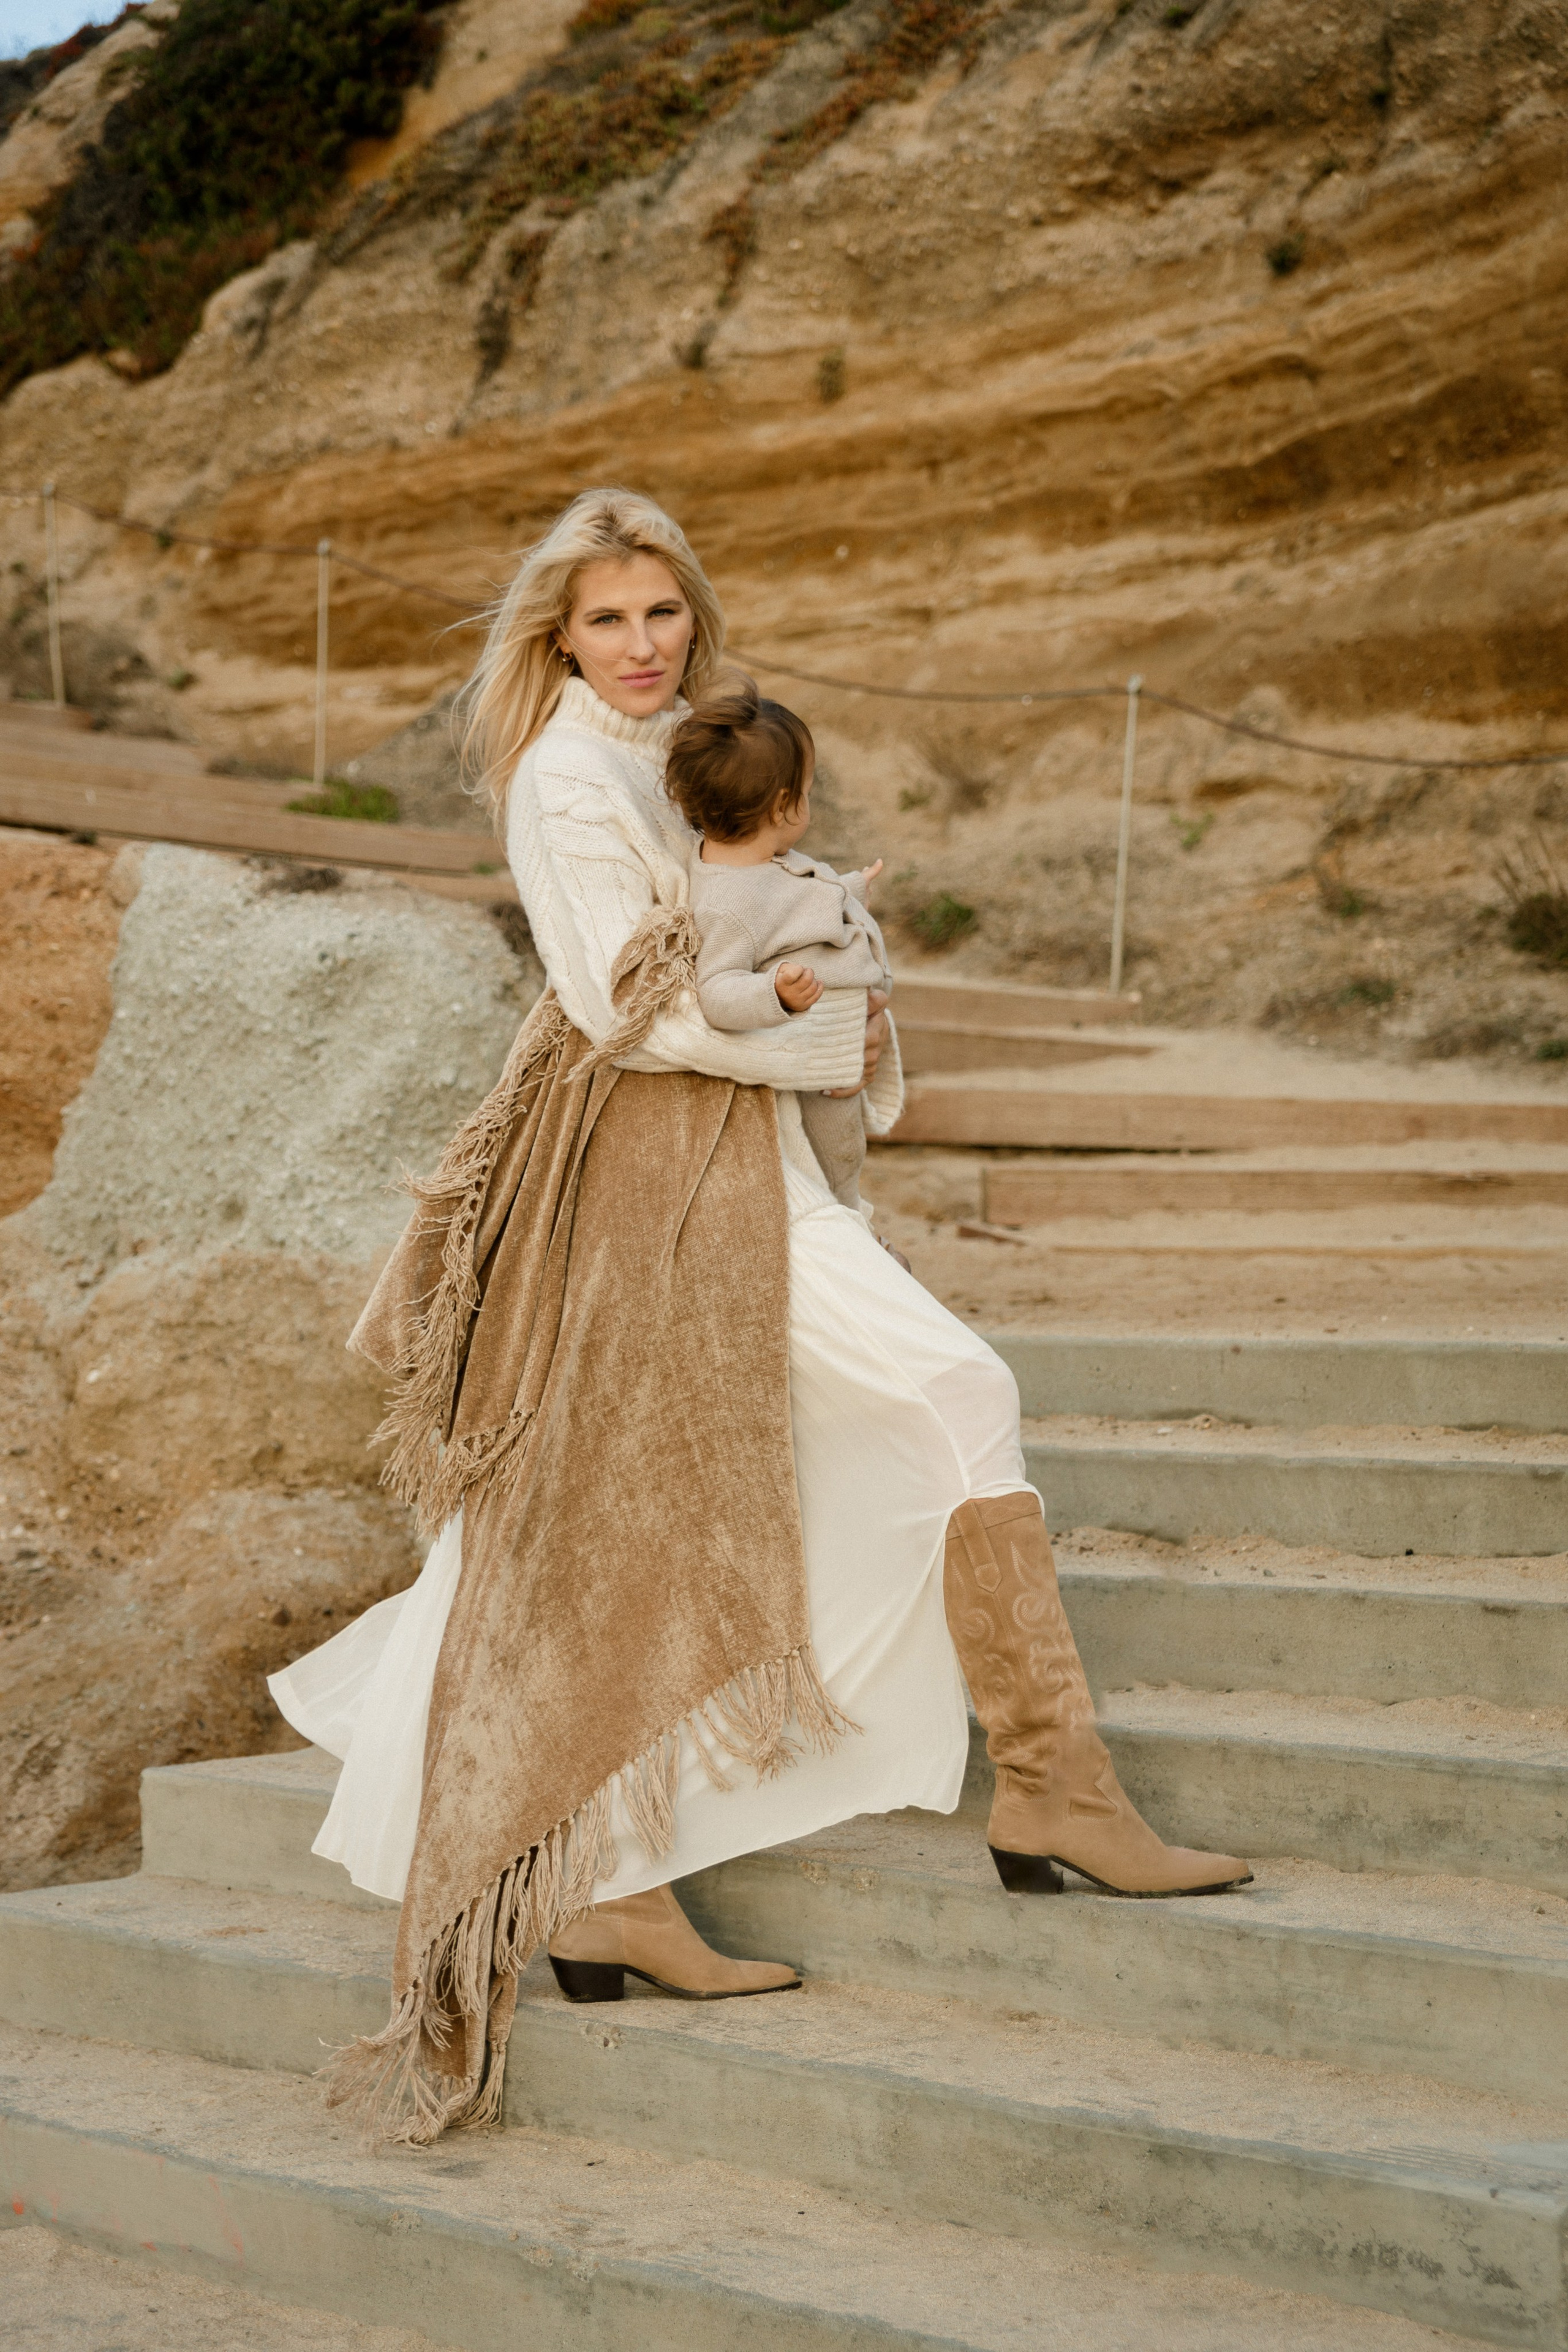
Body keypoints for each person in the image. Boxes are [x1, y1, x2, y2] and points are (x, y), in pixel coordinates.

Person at [269, 487, 1249, 2143]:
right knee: (958, 1394)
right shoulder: (566, 776)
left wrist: (853, 1028)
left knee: (686, 1512)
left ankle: (615, 1887)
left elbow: (782, 917)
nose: (643, 647)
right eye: (607, 622)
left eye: (663, 614)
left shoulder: (701, 749)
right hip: (661, 1179)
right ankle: (1052, 1794)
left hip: (750, 1166)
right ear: (557, 639)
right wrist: (811, 1046)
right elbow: (618, 1011)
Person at [666, 669, 890, 1210]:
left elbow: (799, 897)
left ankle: (849, 1212)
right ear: (784, 805)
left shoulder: (766, 863)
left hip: (842, 1032)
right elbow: (717, 990)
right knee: (834, 1152)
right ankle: (846, 1219)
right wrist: (775, 994)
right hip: (815, 1060)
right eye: (808, 792)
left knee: (845, 1144)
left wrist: (854, 885)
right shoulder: (728, 904)